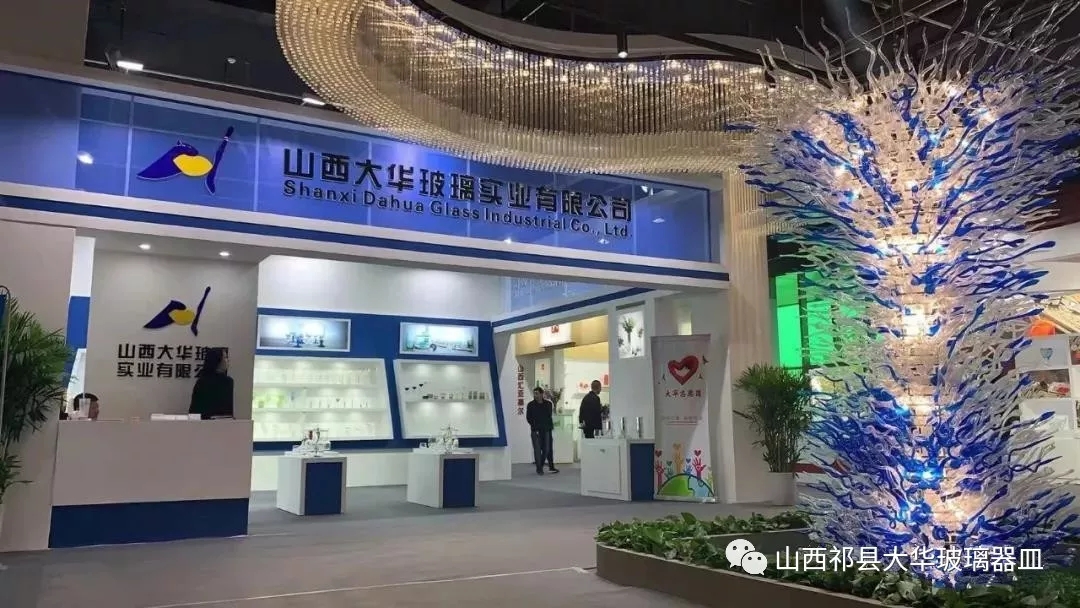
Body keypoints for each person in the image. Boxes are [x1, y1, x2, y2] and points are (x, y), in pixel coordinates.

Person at [189, 347, 234, 420]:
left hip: (221, 424)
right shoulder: (202, 382)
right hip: (204, 423)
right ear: (217, 360)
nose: (228, 360)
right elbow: (194, 409)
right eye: (225, 358)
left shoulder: (228, 382)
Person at [525, 386, 558, 475]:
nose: (535, 395)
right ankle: (539, 469)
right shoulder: (531, 405)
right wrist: (535, 426)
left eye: (537, 393)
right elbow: (529, 418)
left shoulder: (548, 404)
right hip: (535, 430)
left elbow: (548, 416)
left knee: (547, 449)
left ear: (542, 394)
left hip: (546, 430)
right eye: (534, 394)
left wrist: (546, 426)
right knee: (537, 449)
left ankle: (541, 464)